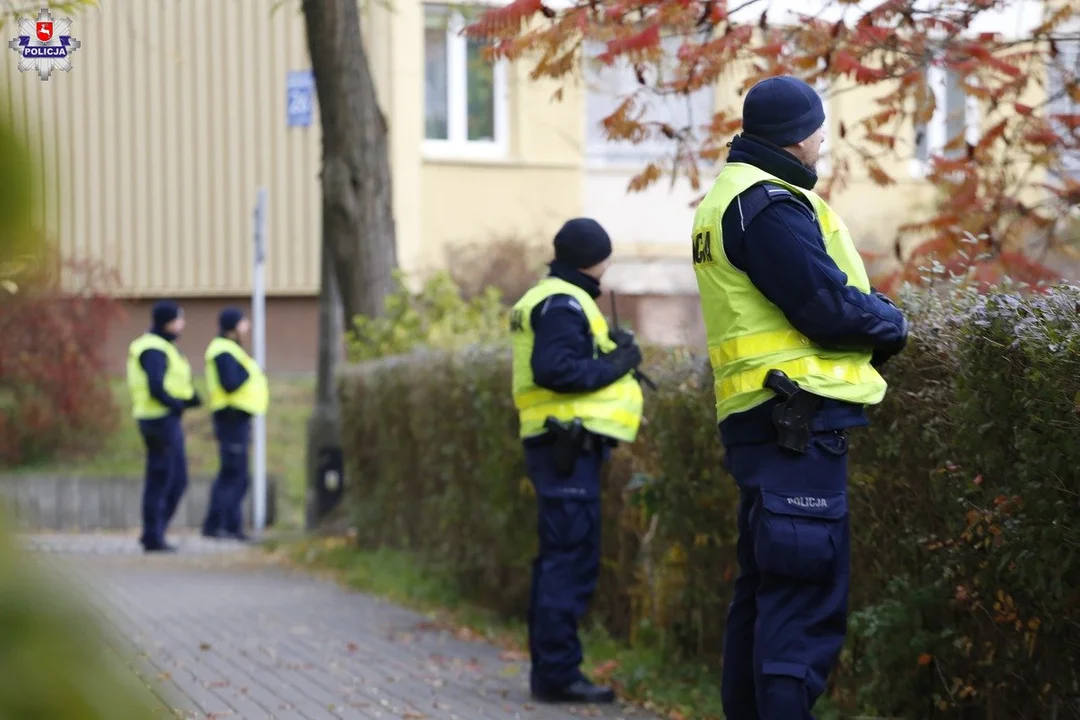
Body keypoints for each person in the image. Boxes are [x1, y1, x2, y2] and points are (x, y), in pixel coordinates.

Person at [690, 75, 909, 720]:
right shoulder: (769, 204)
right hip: (797, 424)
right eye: (819, 128)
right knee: (801, 601)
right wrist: (892, 323)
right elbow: (825, 306)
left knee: (765, 592)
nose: (823, 139)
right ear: (798, 135)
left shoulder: (730, 199)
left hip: (767, 422)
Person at [509, 218, 646, 705]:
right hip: (566, 449)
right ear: (594, 258)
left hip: (559, 448)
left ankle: (553, 669)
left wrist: (612, 352)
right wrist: (618, 364)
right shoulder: (564, 303)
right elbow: (557, 370)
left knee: (559, 561)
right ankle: (557, 675)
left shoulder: (552, 296)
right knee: (569, 562)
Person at [126, 300, 201, 553]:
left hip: (164, 418)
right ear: (168, 321)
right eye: (179, 319)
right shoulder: (154, 348)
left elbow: (172, 381)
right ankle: (153, 535)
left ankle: (155, 532)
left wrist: (189, 399)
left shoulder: (164, 346)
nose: (183, 324)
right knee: (163, 479)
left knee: (175, 479)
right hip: (158, 419)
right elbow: (156, 386)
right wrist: (177, 404)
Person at [201, 308, 268, 541]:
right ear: (233, 326)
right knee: (233, 474)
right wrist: (250, 372)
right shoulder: (223, 351)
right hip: (230, 417)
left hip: (237, 418)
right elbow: (231, 383)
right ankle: (220, 525)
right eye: (243, 322)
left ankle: (226, 525)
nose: (247, 326)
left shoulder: (230, 350)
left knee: (236, 474)